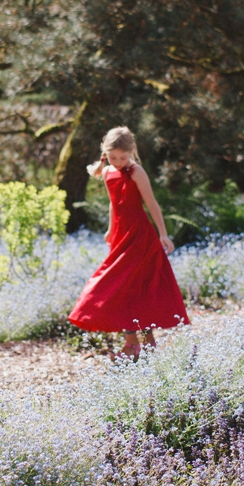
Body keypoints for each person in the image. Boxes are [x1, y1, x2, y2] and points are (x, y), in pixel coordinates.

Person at [67, 126, 189, 361]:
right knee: (118, 287)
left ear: (131, 153)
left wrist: (163, 233)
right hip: (121, 236)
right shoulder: (107, 172)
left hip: (140, 236)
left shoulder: (136, 172)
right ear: (106, 154)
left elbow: (151, 203)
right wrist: (111, 229)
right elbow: (114, 204)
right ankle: (134, 344)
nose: (118, 162)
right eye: (113, 158)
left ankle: (145, 343)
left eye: (123, 157)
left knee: (139, 287)